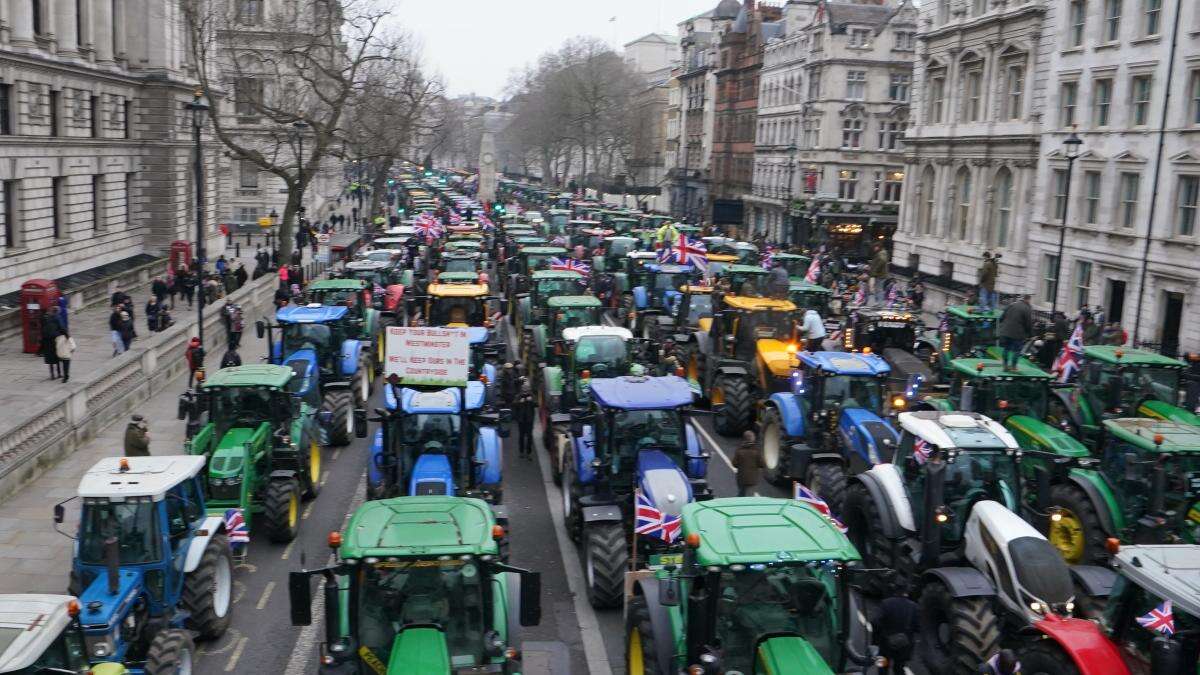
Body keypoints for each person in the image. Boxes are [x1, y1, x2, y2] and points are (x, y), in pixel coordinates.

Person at [873, 597, 919, 674]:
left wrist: (876, 640)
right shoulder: (914, 606)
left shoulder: (886, 603)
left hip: (885, 645)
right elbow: (918, 627)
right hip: (904, 647)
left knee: (882, 667)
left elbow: (875, 622)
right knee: (899, 668)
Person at [997, 294, 1033, 372]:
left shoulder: (1012, 305)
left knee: (1006, 349)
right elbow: (1028, 324)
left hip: (1006, 332)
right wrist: (1030, 334)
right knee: (1017, 350)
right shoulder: (1027, 308)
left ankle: (1005, 366)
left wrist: (1003, 327)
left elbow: (1002, 317)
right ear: (1028, 300)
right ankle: (1013, 367)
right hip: (1018, 334)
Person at [732, 430, 764, 497]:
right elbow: (762, 464)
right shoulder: (756, 451)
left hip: (741, 478)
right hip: (752, 480)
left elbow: (734, 463)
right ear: (752, 439)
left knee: (741, 494)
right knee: (749, 498)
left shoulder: (739, 450)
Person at [41, 309, 64, 379]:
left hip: (47, 343)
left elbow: (42, 331)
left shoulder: (45, 320)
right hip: (55, 341)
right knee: (57, 358)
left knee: (50, 359)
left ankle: (52, 375)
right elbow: (61, 329)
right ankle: (59, 374)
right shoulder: (56, 319)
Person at [514, 382, 535, 459]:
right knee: (521, 436)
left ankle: (529, 453)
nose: (525, 391)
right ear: (522, 389)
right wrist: (520, 402)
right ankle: (521, 452)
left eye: (527, 389)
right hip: (521, 420)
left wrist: (531, 400)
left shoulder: (532, 395)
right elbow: (514, 404)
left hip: (529, 420)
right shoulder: (519, 396)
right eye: (524, 389)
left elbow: (537, 404)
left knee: (529, 436)